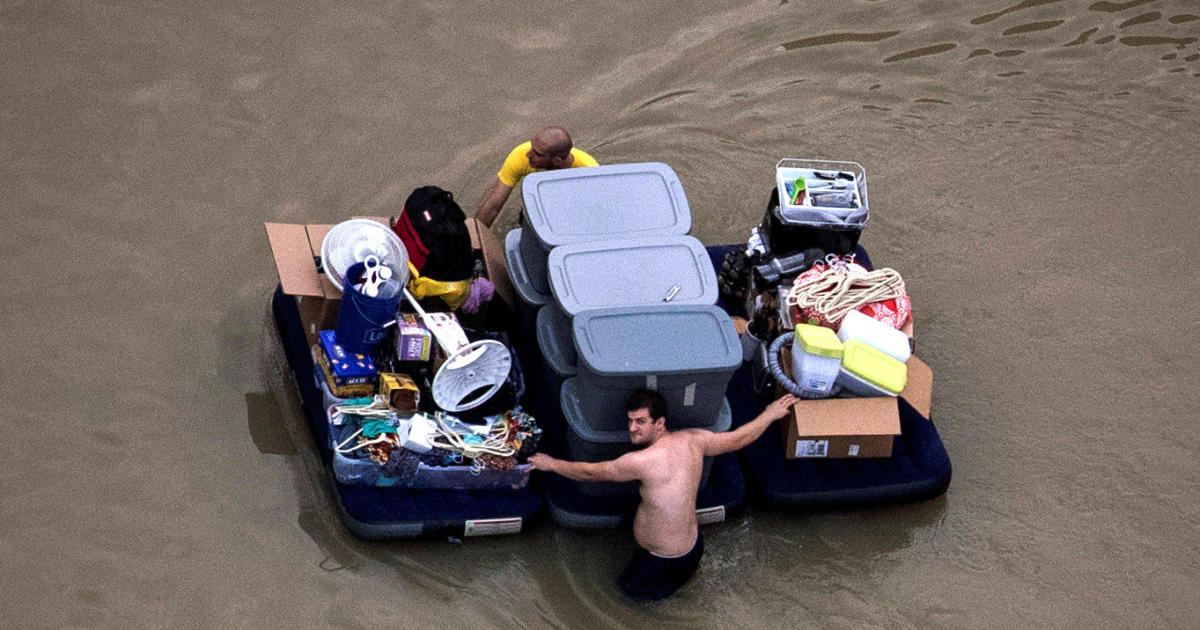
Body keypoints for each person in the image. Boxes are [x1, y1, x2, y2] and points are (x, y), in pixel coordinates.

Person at [529, 389, 799, 600]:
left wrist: (551, 464)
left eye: (640, 421)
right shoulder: (694, 440)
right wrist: (769, 413)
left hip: (662, 562)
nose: (632, 427)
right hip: (693, 548)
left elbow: (590, 473)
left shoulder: (641, 461)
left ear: (659, 423)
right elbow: (739, 438)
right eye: (630, 420)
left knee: (626, 599)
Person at [474, 126, 598, 228]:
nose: (528, 154)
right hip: (532, 214)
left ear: (556, 160)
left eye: (537, 153)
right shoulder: (520, 155)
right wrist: (473, 242)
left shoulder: (590, 172)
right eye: (532, 147)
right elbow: (493, 205)